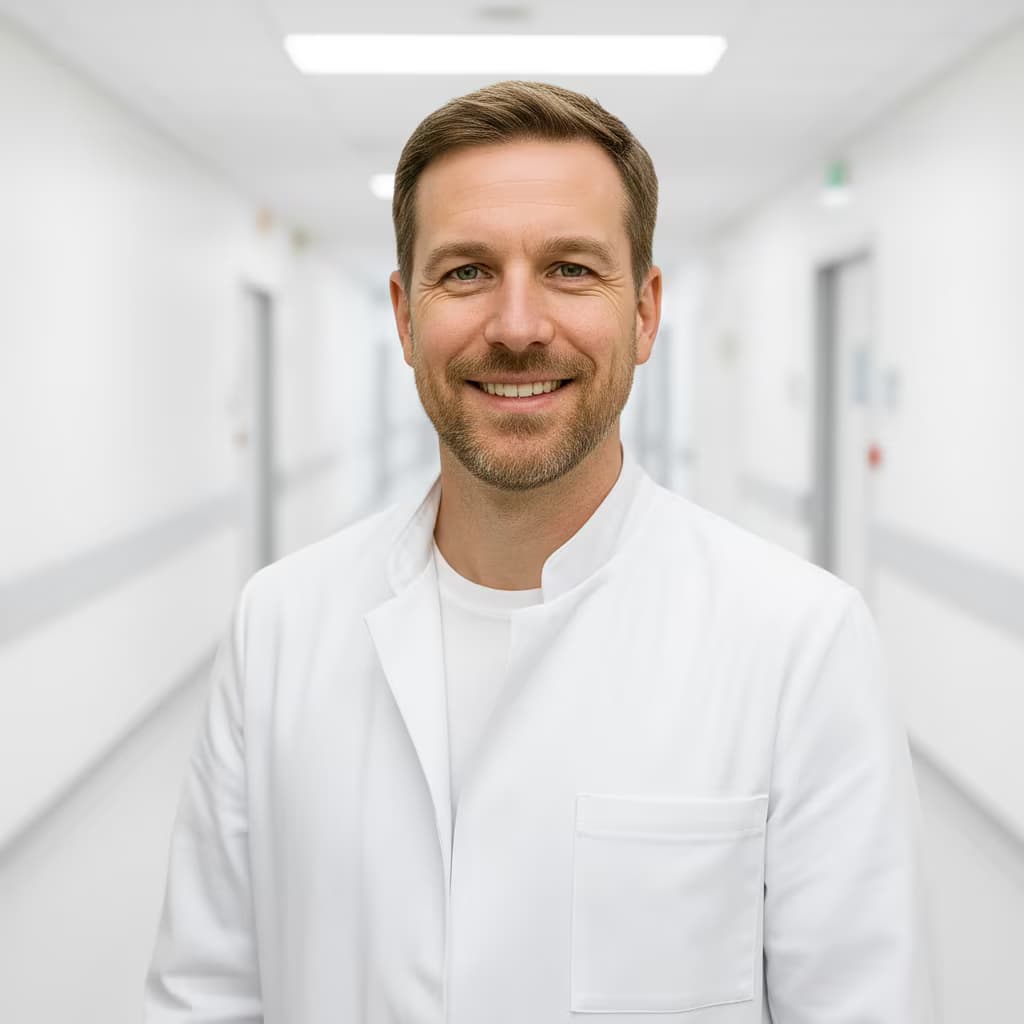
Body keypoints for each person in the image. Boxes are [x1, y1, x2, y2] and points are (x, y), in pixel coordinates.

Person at [145, 81, 935, 1022]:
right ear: (404, 316)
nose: (517, 326)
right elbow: (203, 997)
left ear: (645, 314)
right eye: (467, 272)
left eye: (569, 269)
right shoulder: (279, 627)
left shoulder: (799, 643)